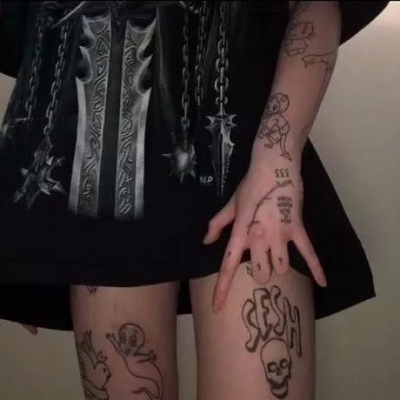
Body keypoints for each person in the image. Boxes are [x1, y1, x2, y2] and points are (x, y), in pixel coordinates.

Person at [0, 1, 388, 399]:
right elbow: (37, 37)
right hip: (99, 188)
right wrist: (24, 230)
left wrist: (278, 157)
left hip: (244, 172)